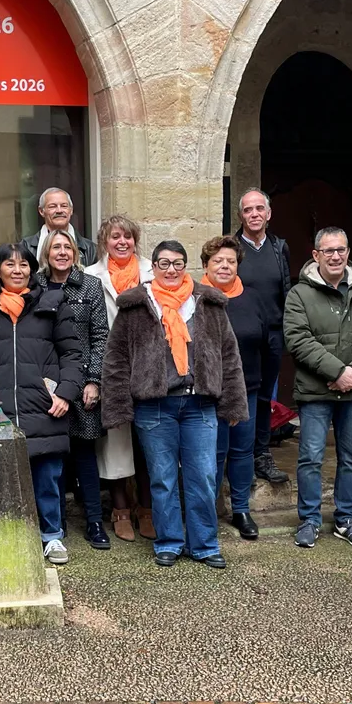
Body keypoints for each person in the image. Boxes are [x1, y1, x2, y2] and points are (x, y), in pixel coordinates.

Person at [102, 240, 248, 569]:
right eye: (164, 263)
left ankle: (206, 545)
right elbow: (116, 360)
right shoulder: (136, 306)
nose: (171, 270)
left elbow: (229, 355)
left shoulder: (208, 303)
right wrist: (117, 407)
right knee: (162, 478)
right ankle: (169, 542)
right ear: (152, 267)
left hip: (201, 405)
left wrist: (233, 403)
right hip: (155, 407)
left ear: (186, 267)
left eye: (178, 263)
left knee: (203, 477)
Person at [283, 227, 352, 551]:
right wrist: (337, 371)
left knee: (351, 457)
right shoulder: (299, 295)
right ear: (316, 255)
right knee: (310, 457)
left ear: (348, 253)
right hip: (316, 392)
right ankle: (309, 520)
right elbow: (298, 339)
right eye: (328, 250)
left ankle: (346, 520)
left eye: (341, 250)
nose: (336, 256)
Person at [0, 244, 83, 565]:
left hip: (45, 406)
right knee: (4, 481)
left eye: (24, 265)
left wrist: (64, 392)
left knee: (48, 477)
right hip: (1, 407)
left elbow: (72, 354)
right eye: (10, 264)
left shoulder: (51, 304)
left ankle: (52, 537)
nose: (18, 270)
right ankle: (12, 537)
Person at [84, 215, 154, 541]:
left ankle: (147, 509)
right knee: (114, 443)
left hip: (148, 367)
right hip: (111, 368)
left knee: (148, 442)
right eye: (115, 237)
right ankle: (121, 508)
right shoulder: (91, 276)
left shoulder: (152, 271)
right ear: (104, 241)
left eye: (127, 236)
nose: (122, 242)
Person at [39, 229, 110, 550]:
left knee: (84, 455)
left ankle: (95, 522)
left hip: (82, 384)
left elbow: (100, 336)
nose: (62, 252)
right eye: (56, 247)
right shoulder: (34, 286)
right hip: (46, 384)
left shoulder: (91, 285)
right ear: (46, 252)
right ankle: (57, 524)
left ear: (75, 253)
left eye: (67, 247)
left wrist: (94, 380)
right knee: (52, 457)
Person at [200, 236, 267, 541]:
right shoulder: (195, 297)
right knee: (212, 452)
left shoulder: (252, 297)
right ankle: (208, 512)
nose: (225, 266)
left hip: (247, 386)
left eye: (230, 261)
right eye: (218, 261)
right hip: (208, 390)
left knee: (242, 450)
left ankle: (241, 509)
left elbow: (265, 340)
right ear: (205, 265)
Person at [234, 188, 291, 485]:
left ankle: (262, 453)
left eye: (259, 209)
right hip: (242, 337)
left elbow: (286, 291)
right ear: (240, 215)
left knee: (266, 396)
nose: (254, 214)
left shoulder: (279, 247)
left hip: (273, 335)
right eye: (247, 210)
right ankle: (240, 457)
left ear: (268, 214)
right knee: (243, 396)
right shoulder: (232, 248)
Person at [19, 187, 97, 267]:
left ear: (71, 210)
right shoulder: (26, 247)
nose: (59, 211)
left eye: (64, 206)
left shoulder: (90, 249)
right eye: (52, 206)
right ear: (41, 211)